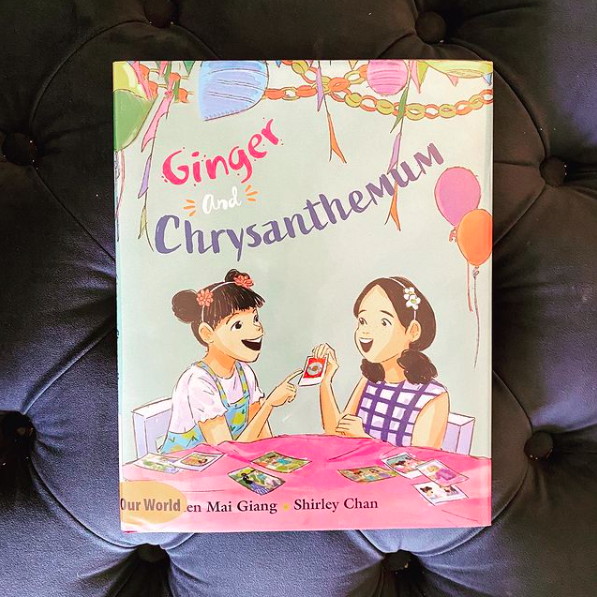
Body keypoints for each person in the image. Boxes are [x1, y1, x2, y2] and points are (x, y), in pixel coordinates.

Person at [159, 269, 300, 453]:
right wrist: (269, 404)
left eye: (255, 319)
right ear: (207, 333)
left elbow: (263, 440)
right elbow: (227, 453)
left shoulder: (245, 373)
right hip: (183, 468)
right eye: (238, 325)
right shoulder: (198, 382)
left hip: (228, 465)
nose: (258, 329)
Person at [314, 276, 449, 449]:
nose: (367, 331)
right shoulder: (370, 381)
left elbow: (421, 459)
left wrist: (365, 439)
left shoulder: (433, 396)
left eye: (384, 322)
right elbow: (336, 433)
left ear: (412, 331)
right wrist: (326, 381)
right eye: (362, 321)